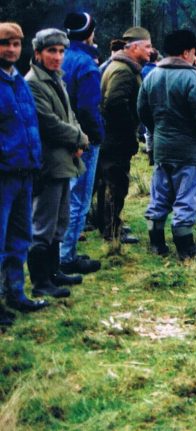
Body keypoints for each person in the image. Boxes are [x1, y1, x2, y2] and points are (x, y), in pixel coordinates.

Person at [26, 28, 91, 299]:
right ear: (38, 53)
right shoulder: (34, 83)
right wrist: (80, 138)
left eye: (61, 51)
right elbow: (48, 123)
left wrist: (78, 138)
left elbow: (70, 114)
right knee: (43, 224)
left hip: (64, 160)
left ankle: (54, 273)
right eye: (51, 51)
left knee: (60, 221)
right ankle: (41, 281)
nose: (57, 56)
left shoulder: (56, 79)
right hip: (49, 163)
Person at [138, 29, 196, 259]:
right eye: (193, 51)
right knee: (186, 197)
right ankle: (185, 247)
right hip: (189, 150)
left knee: (159, 195)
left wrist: (157, 131)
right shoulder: (191, 78)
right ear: (186, 52)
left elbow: (142, 111)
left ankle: (156, 243)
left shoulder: (151, 76)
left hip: (162, 147)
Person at [0, 22, 50, 322]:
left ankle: (16, 294)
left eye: (16, 44)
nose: (11, 49)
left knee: (20, 237)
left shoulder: (18, 80)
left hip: (25, 173)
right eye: (6, 44)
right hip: (3, 175)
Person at [59, 12, 103, 278]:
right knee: (79, 199)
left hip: (59, 136)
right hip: (82, 139)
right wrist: (96, 135)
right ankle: (67, 256)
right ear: (90, 33)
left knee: (63, 196)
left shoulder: (60, 57)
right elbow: (88, 107)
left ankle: (60, 251)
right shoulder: (86, 63)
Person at [98, 26, 152, 244]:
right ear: (135, 47)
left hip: (113, 136)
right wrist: (129, 130)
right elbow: (114, 103)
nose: (151, 50)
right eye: (147, 46)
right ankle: (112, 231)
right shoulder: (123, 71)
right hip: (116, 138)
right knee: (116, 183)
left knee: (110, 182)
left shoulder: (121, 66)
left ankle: (109, 225)